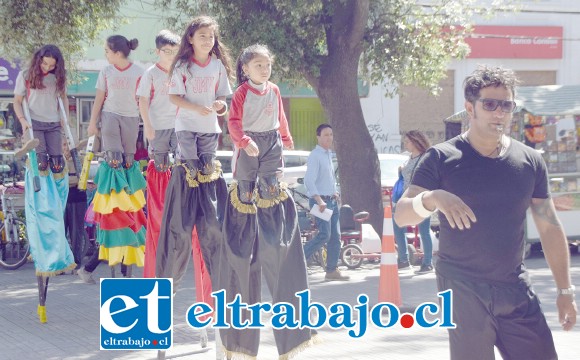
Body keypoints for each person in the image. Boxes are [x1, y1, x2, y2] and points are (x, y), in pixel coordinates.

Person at [394, 65, 576, 360]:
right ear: (470, 107)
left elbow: (550, 227)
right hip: (462, 287)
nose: (499, 112)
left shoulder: (529, 161)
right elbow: (402, 215)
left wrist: (565, 292)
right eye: (490, 104)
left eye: (506, 105)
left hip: (514, 287)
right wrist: (433, 197)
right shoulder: (441, 157)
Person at [219, 43, 314, 359]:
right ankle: (248, 197)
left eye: (267, 65)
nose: (264, 70)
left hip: (271, 140)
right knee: (246, 184)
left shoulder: (273, 89)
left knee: (271, 182)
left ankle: (269, 196)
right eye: (258, 65)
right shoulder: (242, 93)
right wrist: (242, 141)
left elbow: (281, 117)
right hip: (248, 141)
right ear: (245, 68)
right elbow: (233, 122)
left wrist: (285, 137)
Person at [156, 15, 232, 291]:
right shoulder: (183, 67)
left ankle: (205, 198)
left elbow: (223, 98)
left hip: (209, 128)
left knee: (207, 169)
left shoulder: (217, 67)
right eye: (202, 36)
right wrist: (192, 108)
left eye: (211, 37)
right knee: (189, 168)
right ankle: (189, 193)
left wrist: (219, 107)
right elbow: (174, 97)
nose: (207, 40)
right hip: (187, 125)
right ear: (190, 38)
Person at [12, 44, 76, 323]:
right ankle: (32, 163)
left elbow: (61, 99)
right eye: (45, 64)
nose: (48, 68)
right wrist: (24, 122)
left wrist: (64, 126)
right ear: (38, 60)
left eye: (52, 65)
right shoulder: (26, 74)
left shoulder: (57, 77)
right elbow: (16, 100)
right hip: (35, 124)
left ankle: (52, 184)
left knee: (58, 165)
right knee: (40, 165)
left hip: (52, 125)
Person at [84, 35, 146, 272]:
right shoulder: (106, 71)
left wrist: (149, 124)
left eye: (107, 51)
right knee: (114, 159)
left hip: (131, 118)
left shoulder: (138, 71)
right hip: (109, 116)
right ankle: (113, 201)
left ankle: (129, 205)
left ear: (118, 51)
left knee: (129, 160)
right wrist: (92, 124)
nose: (105, 54)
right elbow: (99, 98)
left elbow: (142, 101)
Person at [136, 29, 180, 278]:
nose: (170, 56)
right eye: (166, 51)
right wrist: (148, 126)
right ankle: (162, 206)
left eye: (174, 52)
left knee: (181, 165)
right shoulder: (150, 74)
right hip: (159, 127)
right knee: (160, 167)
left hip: (179, 125)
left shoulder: (180, 71)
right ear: (157, 51)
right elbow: (142, 101)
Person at [303, 123, 349, 281]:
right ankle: (297, 259)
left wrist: (334, 192)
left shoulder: (328, 154)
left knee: (336, 236)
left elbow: (327, 178)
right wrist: (319, 199)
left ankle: (331, 270)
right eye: (326, 135)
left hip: (332, 201)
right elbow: (309, 180)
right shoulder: (315, 155)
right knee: (324, 235)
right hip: (319, 202)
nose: (329, 137)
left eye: (331, 134)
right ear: (318, 137)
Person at [393, 130, 434, 274]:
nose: (405, 144)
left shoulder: (425, 158)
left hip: (420, 198)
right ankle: (404, 260)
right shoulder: (408, 157)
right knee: (397, 224)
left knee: (424, 230)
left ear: (416, 141)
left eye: (408, 141)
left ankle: (427, 263)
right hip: (405, 198)